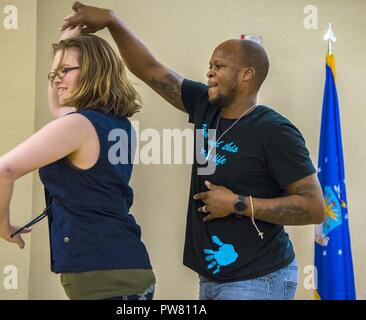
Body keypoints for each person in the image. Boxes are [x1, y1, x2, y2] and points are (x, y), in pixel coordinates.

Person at [61, 2, 326, 300]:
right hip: (212, 276)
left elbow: (314, 207)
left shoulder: (275, 131)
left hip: (259, 276)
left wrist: (240, 203)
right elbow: (151, 71)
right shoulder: (206, 107)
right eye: (210, 66)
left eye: (219, 66)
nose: (210, 72)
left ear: (246, 75)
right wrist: (112, 21)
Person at [0, 26, 155, 300]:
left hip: (105, 276)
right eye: (55, 73)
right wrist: (65, 45)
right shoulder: (115, 125)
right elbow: (57, 107)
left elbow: (1, 172)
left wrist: (1, 227)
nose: (56, 80)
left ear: (93, 71)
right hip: (124, 266)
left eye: (65, 70)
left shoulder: (77, 126)